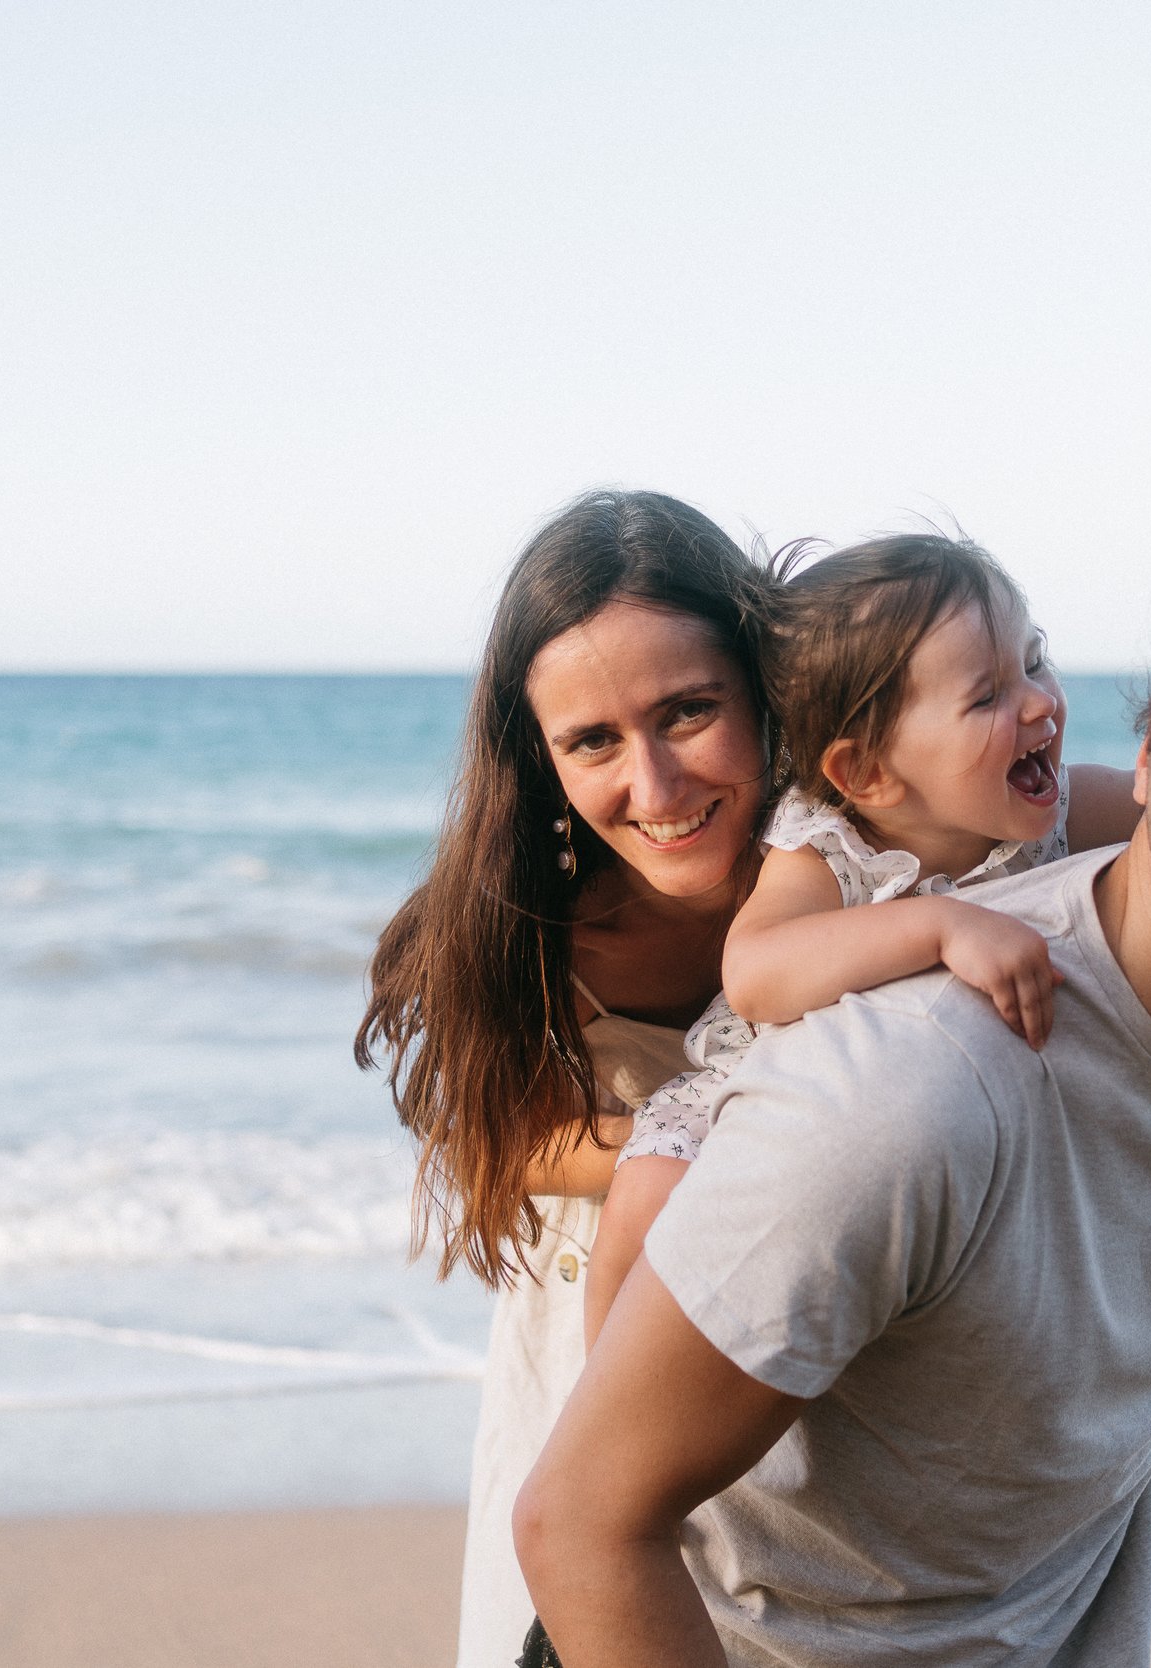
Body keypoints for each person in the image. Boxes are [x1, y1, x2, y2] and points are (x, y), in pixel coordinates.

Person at [514, 488, 1151, 1666]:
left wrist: (1107, 1508)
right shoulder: (894, 1087)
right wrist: (934, 934)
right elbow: (581, 1521)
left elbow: (1077, 1312)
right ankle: (603, 1400)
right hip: (723, 1599)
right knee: (651, 1217)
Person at [584, 531, 1151, 1343]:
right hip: (759, 1094)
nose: (1040, 703)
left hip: (945, 1132)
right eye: (987, 697)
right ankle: (603, 1418)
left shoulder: (1074, 807)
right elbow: (758, 973)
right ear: (868, 774)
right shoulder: (830, 849)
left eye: (1035, 661)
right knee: (646, 1190)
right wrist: (938, 925)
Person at [354, 489, 780, 1668]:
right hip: (583, 1341)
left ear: (763, 686)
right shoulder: (521, 918)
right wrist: (695, 1138)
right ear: (539, 758)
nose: (653, 784)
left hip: (802, 1331)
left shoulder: (850, 866)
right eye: (592, 742)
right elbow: (493, 1139)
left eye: (689, 712)